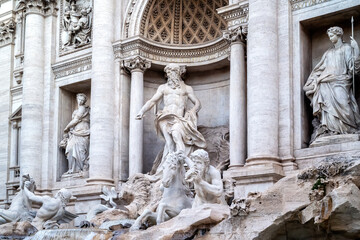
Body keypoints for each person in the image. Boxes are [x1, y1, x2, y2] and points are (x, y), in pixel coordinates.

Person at [136, 63, 206, 168]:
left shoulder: (186, 88)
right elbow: (152, 101)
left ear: (178, 73)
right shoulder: (163, 88)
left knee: (176, 135)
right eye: (169, 72)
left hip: (178, 118)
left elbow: (197, 103)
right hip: (164, 116)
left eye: (173, 72)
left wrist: (192, 111)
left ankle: (182, 161)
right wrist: (142, 111)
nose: (171, 74)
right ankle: (167, 166)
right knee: (169, 143)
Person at [304, 26, 360, 142]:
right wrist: (313, 81)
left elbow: (353, 69)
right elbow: (319, 69)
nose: (330, 38)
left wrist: (357, 51)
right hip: (325, 83)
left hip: (342, 81)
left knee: (344, 103)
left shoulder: (347, 48)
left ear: (339, 35)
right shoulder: (328, 53)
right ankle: (331, 129)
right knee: (328, 108)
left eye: (332, 36)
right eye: (329, 36)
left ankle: (349, 129)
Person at [61, 93, 90, 174]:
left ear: (84, 101)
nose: (80, 101)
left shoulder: (82, 109)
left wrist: (66, 127)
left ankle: (79, 169)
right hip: (76, 131)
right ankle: (72, 169)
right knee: (70, 148)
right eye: (79, 99)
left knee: (80, 150)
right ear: (77, 99)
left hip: (83, 130)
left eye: (82, 100)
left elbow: (76, 120)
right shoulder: (77, 110)